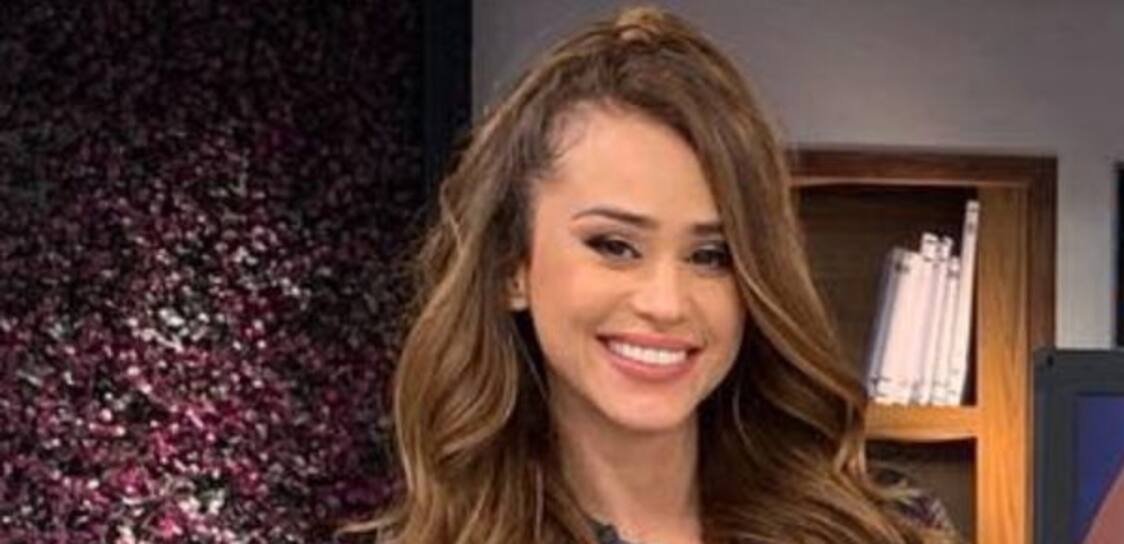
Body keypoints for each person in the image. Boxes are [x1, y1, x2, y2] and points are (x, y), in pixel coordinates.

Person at [345, 6, 957, 544]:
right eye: (614, 246)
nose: (666, 302)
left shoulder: (887, 530)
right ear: (512, 267)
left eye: (711, 256)